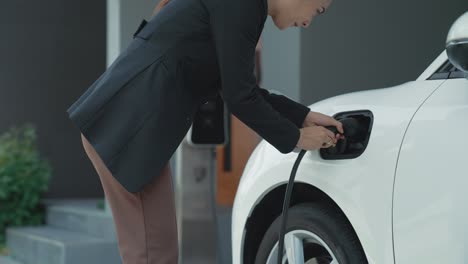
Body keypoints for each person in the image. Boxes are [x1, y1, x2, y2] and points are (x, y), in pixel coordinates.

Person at [67, 0, 344, 263]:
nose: (308, 23)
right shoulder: (244, 5)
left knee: (155, 252)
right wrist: (296, 138)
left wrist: (303, 116)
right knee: (152, 255)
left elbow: (238, 89)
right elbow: (240, 97)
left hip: (126, 124)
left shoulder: (244, 7)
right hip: (126, 128)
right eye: (318, 10)